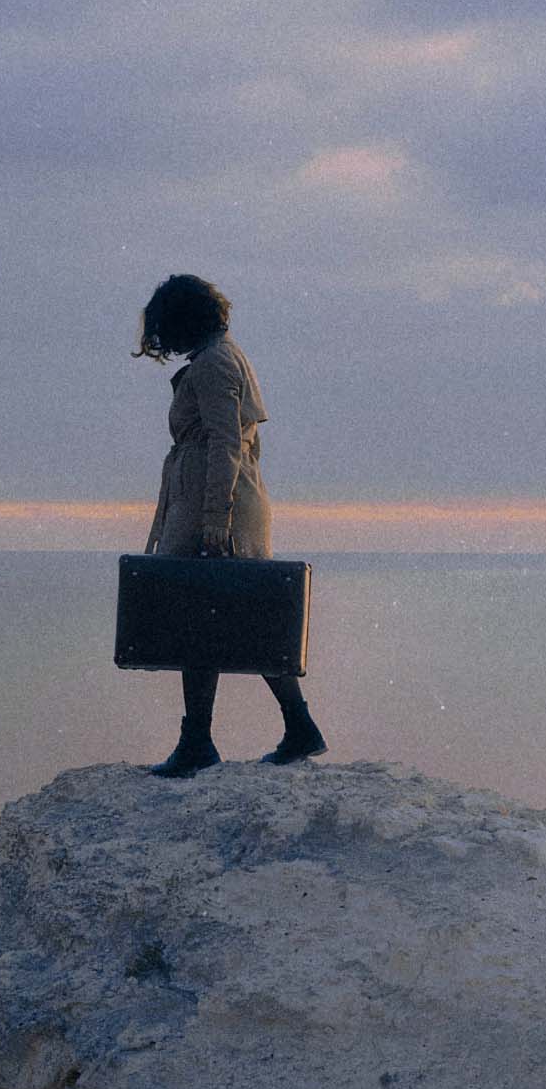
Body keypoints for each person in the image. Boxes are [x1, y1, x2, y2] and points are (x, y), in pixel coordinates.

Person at [135, 273, 328, 778]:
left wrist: (215, 519)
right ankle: (286, 727)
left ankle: (204, 740)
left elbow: (224, 441)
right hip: (214, 496)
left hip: (214, 501)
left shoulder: (215, 362)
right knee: (230, 617)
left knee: (211, 616)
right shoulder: (221, 355)